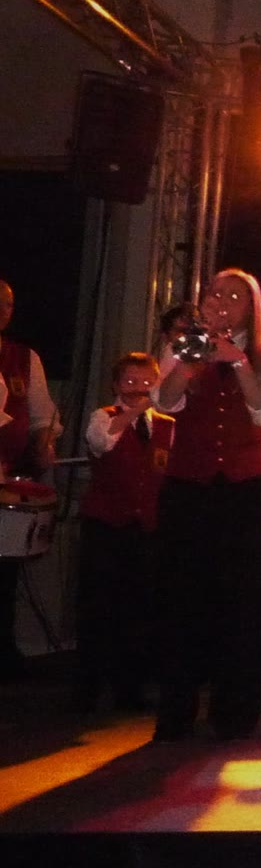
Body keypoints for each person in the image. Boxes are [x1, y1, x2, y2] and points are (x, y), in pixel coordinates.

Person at [149, 268, 261, 741]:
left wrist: (238, 361)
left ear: (251, 308)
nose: (224, 302)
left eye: (234, 296)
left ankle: (235, 712)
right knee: (182, 599)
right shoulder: (183, 345)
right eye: (216, 294)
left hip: (243, 487)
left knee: (240, 602)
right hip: (189, 484)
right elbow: (164, 402)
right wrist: (192, 359)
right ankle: (176, 712)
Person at [74, 352, 171, 711]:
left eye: (147, 382)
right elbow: (103, 443)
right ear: (116, 384)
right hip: (106, 526)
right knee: (98, 609)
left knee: (139, 610)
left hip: (146, 529)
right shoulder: (103, 416)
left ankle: (129, 690)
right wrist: (135, 409)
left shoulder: (167, 425)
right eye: (130, 381)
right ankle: (87, 690)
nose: (138, 388)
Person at [0, 278, 59, 679]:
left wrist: (44, 442)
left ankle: (3, 650)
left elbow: (41, 416)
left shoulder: (24, 357)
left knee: (5, 571)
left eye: (7, 304)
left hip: (7, 481)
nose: (1, 310)